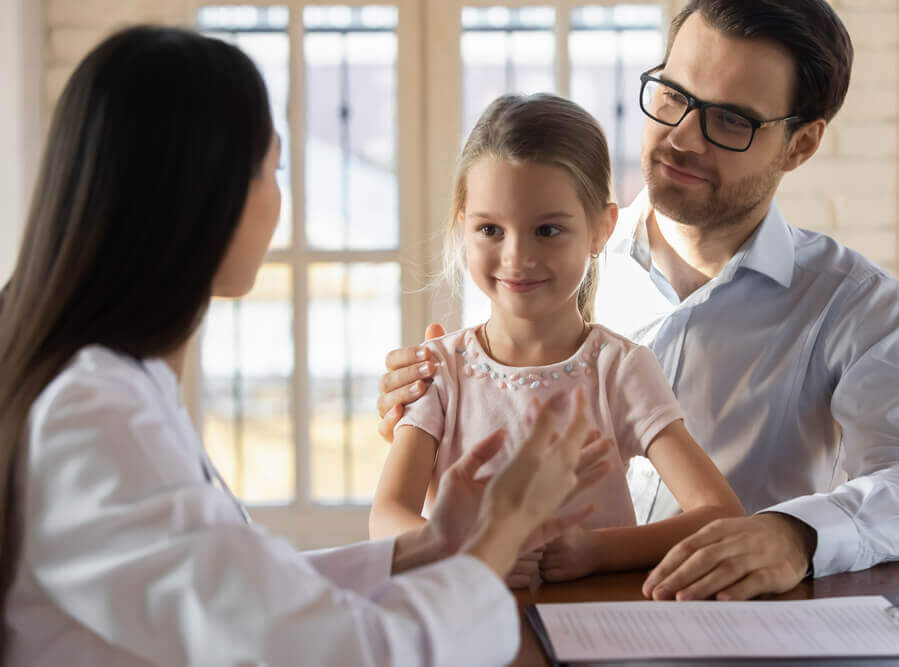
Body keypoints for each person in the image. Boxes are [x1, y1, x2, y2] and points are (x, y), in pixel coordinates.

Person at [0, 26, 613, 665]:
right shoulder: (93, 417)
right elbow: (351, 653)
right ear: (204, 196)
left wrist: (428, 547)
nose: (279, 199)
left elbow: (252, 599)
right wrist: (500, 533)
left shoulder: (102, 387)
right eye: (273, 166)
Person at [376, 0, 899, 601]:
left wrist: (797, 535)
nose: (681, 138)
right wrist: (428, 420)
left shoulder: (854, 305)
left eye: (731, 120)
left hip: (738, 630)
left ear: (801, 145)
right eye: (672, 95)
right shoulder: (543, 261)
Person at [368, 94, 743, 588]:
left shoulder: (620, 368)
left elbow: (720, 514)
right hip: (461, 632)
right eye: (490, 230)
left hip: (595, 632)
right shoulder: (439, 370)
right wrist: (474, 553)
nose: (517, 256)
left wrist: (595, 551)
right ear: (464, 228)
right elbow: (385, 521)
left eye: (547, 229)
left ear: (600, 230)